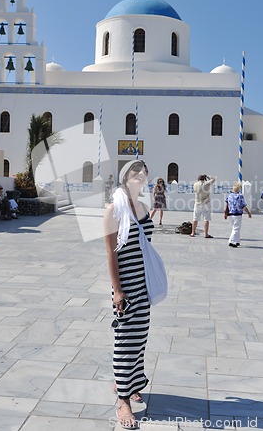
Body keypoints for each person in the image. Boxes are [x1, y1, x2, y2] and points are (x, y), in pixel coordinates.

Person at [104, 160, 154, 429]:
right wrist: (117, 291)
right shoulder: (114, 210)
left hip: (143, 285)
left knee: (139, 338)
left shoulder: (144, 208)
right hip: (125, 287)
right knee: (125, 341)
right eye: (135, 171)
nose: (141, 175)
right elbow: (111, 254)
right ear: (125, 178)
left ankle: (129, 382)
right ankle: (123, 401)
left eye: (143, 171)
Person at [224, 182, 252, 247]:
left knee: (234, 228)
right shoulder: (240, 196)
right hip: (237, 214)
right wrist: (249, 213)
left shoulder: (229, 195)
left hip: (231, 214)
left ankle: (237, 241)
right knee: (236, 228)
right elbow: (244, 206)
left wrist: (225, 213)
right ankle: (232, 241)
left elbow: (226, 205)